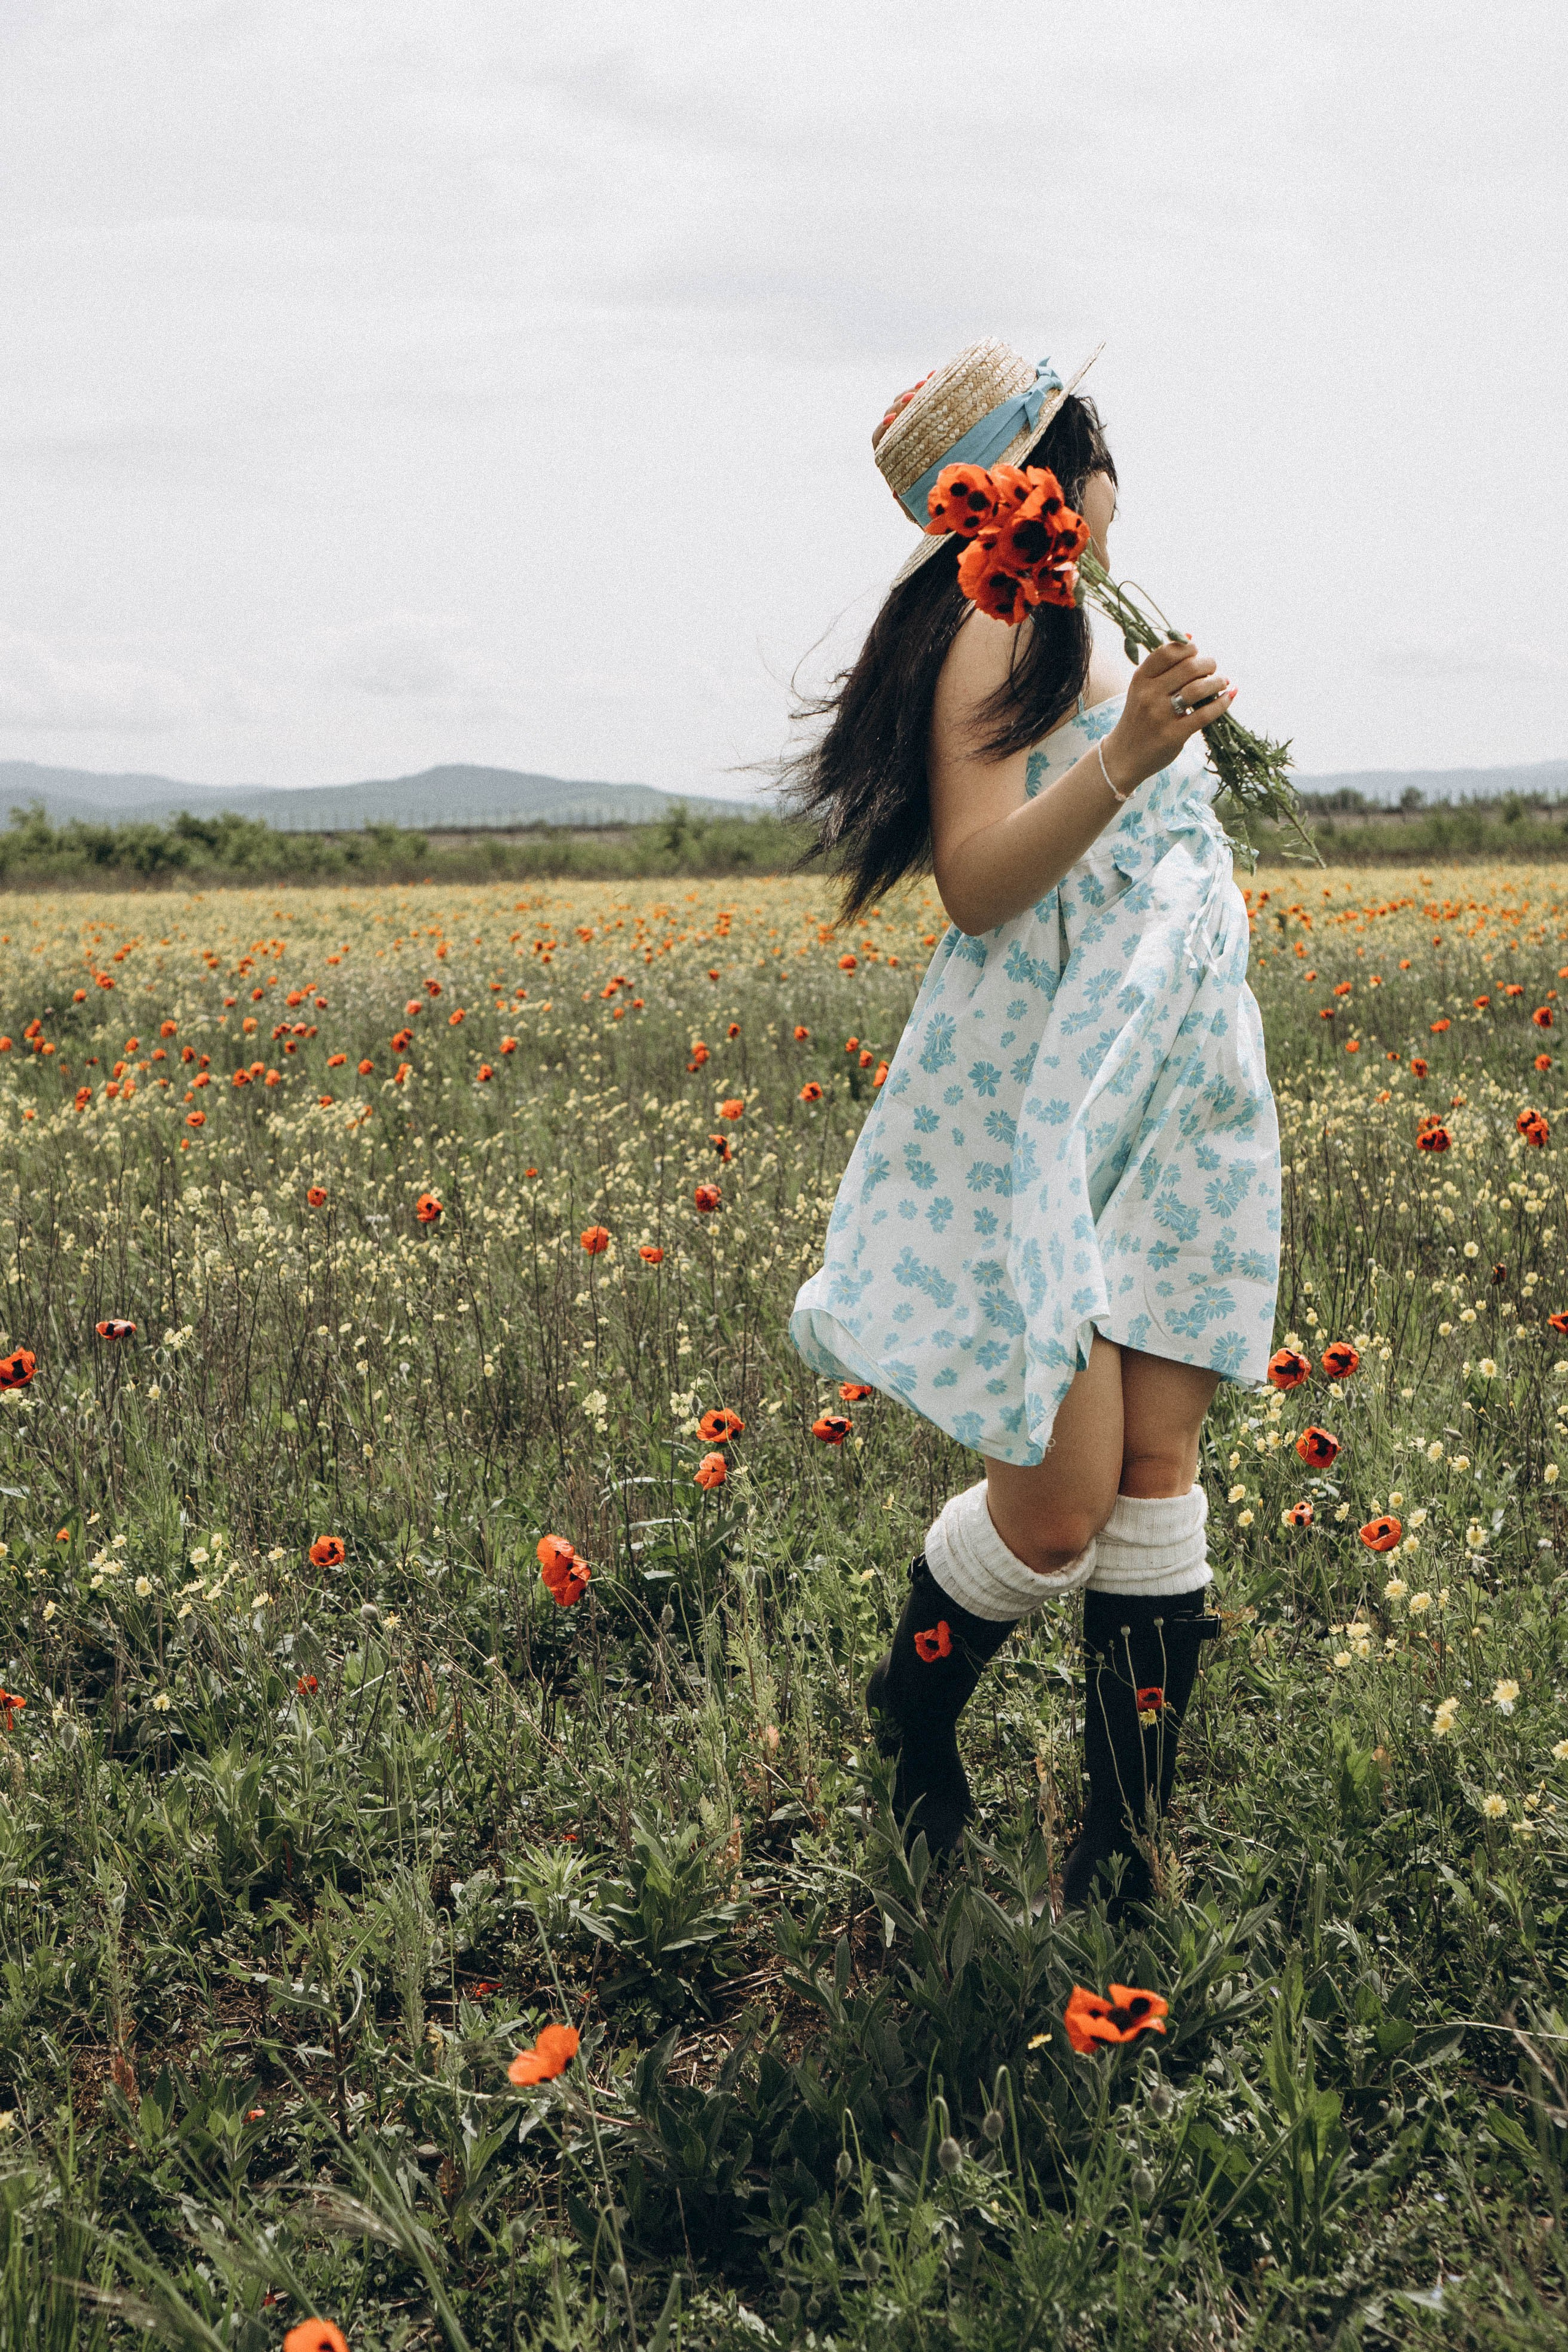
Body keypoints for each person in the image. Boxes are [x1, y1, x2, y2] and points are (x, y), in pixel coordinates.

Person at [786, 339, 1281, 1905]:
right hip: (1051, 1105)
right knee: (1060, 1509)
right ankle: (911, 1702)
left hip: (1176, 1088)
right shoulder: (998, 627)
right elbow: (977, 884)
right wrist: (1128, 755)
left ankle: (1120, 1855)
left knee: (1158, 1463)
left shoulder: (1092, 618)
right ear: (1058, 475)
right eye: (1096, 460)